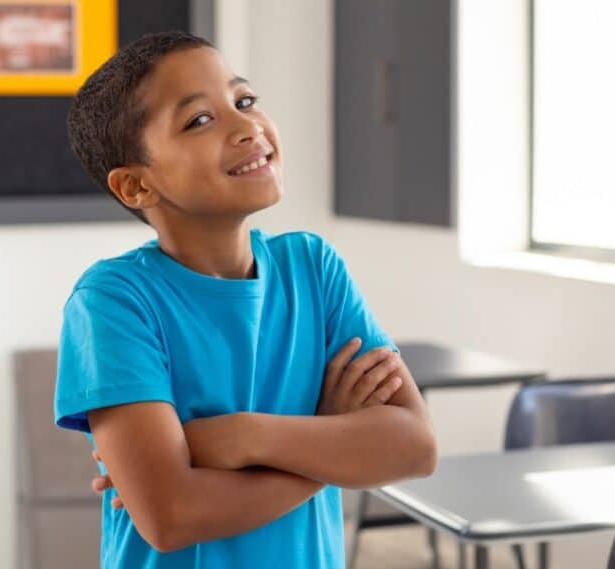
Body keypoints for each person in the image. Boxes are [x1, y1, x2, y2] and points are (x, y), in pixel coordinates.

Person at [55, 30, 437, 568]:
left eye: (245, 101)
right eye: (200, 121)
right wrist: (331, 441)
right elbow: (171, 516)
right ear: (136, 187)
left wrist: (240, 436)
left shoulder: (313, 266)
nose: (247, 127)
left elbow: (414, 447)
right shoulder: (113, 302)